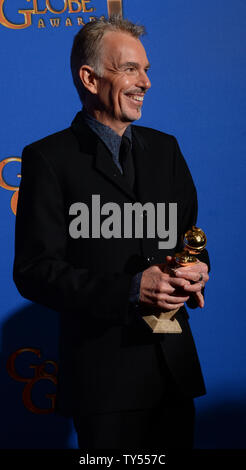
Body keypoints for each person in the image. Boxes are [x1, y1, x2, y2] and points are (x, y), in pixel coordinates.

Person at [13, 15, 210, 450]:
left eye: (147, 70)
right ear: (89, 77)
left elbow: (191, 239)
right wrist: (131, 288)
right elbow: (34, 271)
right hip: (103, 384)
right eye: (130, 69)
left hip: (173, 374)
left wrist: (196, 269)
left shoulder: (167, 149)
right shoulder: (48, 159)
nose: (146, 83)